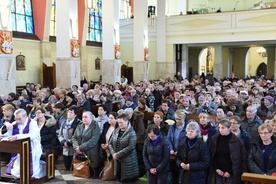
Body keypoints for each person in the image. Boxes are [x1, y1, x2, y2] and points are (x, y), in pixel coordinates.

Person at [4, 108, 44, 178]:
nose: (17, 121)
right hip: (20, 148)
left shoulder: (32, 123)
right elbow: (8, 134)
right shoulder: (15, 123)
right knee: (18, 171)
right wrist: (6, 124)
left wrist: (17, 137)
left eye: (19, 119)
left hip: (33, 147)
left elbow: (32, 135)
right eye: (16, 119)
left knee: (33, 171)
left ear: (25, 117)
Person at [208, 119, 247, 184]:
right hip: (218, 171)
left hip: (232, 172)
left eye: (223, 128)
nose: (220, 130)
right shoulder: (215, 139)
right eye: (219, 128)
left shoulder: (237, 141)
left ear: (229, 128)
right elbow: (212, 155)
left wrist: (230, 171)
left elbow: (239, 158)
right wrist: (216, 168)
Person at [108, 113, 139, 182]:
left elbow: (131, 147)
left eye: (121, 122)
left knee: (127, 180)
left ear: (127, 121)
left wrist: (118, 154)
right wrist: (113, 154)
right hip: (117, 161)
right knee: (119, 179)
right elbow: (110, 143)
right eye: (118, 123)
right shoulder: (116, 131)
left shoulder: (132, 132)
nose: (119, 124)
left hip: (128, 162)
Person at [72, 111, 101, 175]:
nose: (84, 118)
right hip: (79, 153)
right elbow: (74, 138)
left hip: (90, 153)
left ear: (90, 118)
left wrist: (81, 148)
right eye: (83, 117)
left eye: (85, 117)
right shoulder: (80, 126)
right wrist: (76, 147)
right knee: (80, 173)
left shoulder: (95, 126)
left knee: (89, 174)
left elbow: (93, 140)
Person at [58, 105, 81, 170]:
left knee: (73, 168)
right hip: (65, 149)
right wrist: (63, 142)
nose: (69, 113)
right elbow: (60, 134)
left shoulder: (78, 123)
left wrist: (69, 142)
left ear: (75, 115)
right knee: (67, 166)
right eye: (68, 112)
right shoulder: (64, 122)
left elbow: (77, 136)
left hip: (73, 149)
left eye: (71, 112)